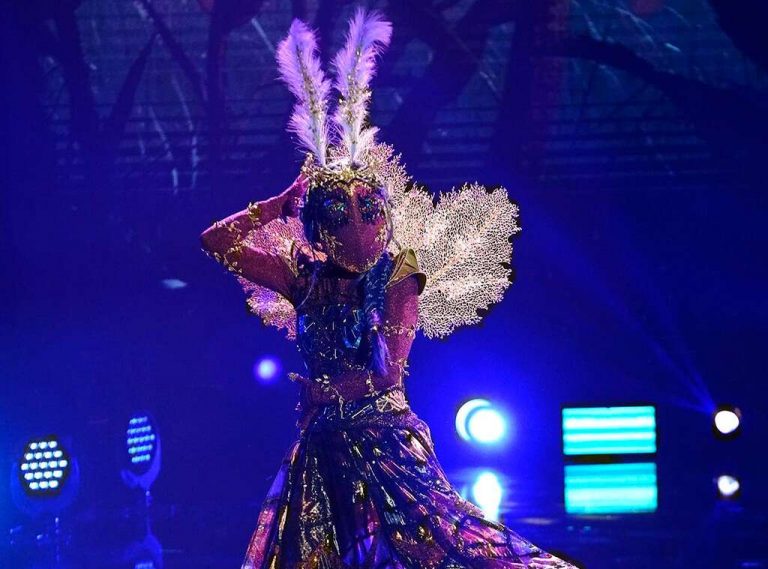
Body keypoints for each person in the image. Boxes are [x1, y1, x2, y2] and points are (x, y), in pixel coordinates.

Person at [200, 9, 578, 569]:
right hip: (320, 449)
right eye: (339, 214)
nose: (357, 225)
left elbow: (386, 375)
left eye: (369, 211)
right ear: (317, 227)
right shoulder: (302, 281)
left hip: (384, 445)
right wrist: (277, 204)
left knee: (431, 551)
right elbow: (215, 241)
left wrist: (324, 390)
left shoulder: (399, 274)